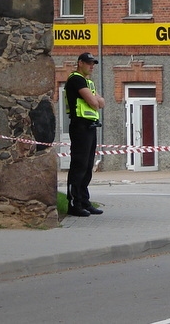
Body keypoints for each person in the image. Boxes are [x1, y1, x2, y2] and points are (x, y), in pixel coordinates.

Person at [65, 52, 106, 217]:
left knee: (88, 165)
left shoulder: (88, 82)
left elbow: (101, 102)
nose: (92, 66)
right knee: (79, 165)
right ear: (80, 63)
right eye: (89, 63)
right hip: (80, 125)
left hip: (90, 126)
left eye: (94, 63)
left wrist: (96, 101)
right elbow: (94, 102)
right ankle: (74, 203)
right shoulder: (76, 79)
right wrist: (95, 100)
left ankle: (84, 201)